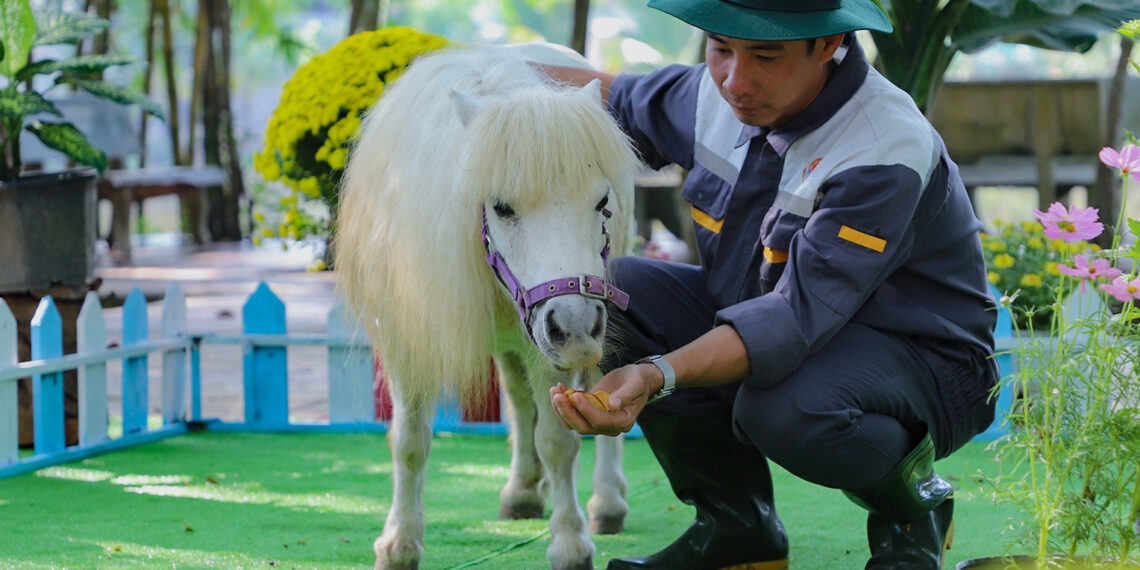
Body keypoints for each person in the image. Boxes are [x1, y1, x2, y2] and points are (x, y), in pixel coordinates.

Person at [543, 0, 1000, 568]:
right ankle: (738, 529)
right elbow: (611, 97)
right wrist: (479, 74)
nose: (736, 79)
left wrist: (656, 373)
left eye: (766, 54)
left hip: (924, 361)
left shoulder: (882, 146)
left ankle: (913, 508)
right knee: (626, 290)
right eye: (720, 48)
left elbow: (790, 320)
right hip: (782, 333)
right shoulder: (720, 93)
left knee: (782, 407)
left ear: (829, 46)